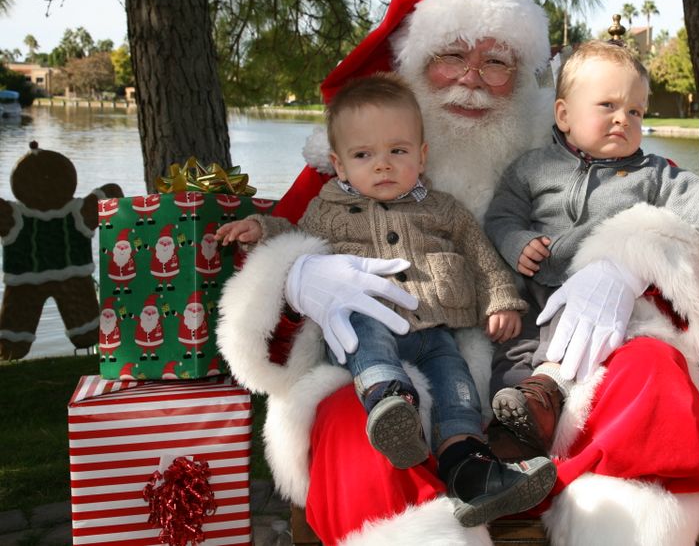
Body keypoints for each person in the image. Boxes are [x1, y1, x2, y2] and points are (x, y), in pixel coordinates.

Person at [218, 0, 699, 546]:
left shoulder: (565, 143)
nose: (472, 80)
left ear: (527, 76)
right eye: (451, 58)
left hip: (549, 368)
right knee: (353, 421)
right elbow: (269, 246)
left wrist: (622, 263)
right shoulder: (357, 152)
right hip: (402, 370)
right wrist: (300, 274)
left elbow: (679, 217)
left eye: (496, 63)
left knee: (652, 372)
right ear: (414, 64)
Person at [215, 74, 554, 526]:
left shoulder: (443, 208)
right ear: (339, 165)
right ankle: (388, 399)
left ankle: (468, 466)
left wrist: (501, 299)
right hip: (369, 325)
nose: (383, 166)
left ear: (422, 154)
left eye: (398, 151)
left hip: (434, 332)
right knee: (362, 327)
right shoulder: (328, 209)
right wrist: (263, 230)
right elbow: (294, 232)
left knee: (457, 387)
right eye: (363, 155)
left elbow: (481, 256)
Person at [484, 41, 699, 455]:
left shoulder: (652, 175)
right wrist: (517, 242)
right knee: (510, 360)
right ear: (563, 115)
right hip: (535, 294)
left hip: (602, 303)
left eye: (635, 111)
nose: (622, 119)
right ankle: (512, 440)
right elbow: (501, 217)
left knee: (579, 359)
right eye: (607, 105)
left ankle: (546, 402)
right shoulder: (531, 168)